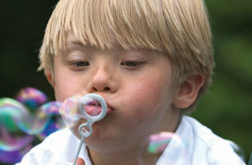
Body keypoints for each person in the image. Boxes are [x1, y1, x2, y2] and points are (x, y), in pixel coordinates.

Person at [17, 0, 245, 164]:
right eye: (79, 63)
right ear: (53, 81)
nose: (99, 80)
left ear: (184, 87)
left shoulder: (215, 160)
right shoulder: (44, 159)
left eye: (130, 63)